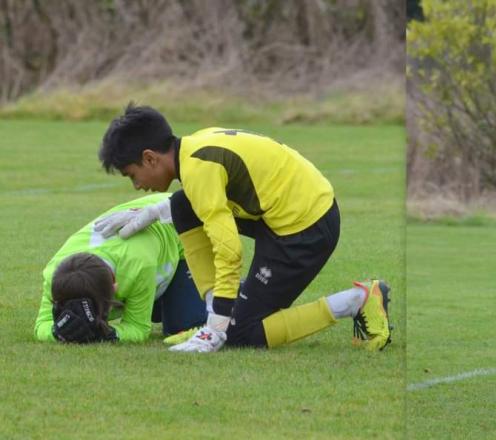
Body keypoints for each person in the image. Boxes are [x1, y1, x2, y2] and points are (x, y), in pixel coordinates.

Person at [97, 104, 391, 353]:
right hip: (285, 213)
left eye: (133, 175)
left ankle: (359, 299)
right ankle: (215, 316)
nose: (137, 186)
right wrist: (154, 211)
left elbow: (229, 251)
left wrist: (218, 327)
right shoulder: (194, 147)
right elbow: (202, 200)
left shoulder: (199, 167)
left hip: (307, 228)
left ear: (150, 157)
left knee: (240, 334)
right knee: (181, 207)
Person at [33, 193, 208, 343]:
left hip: (183, 226)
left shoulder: (138, 266)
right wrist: (58, 332)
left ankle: (231, 295)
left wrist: (104, 334)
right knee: (157, 306)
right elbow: (41, 325)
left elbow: (138, 328)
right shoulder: (56, 275)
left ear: (114, 286)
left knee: (183, 324)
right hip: (143, 251)